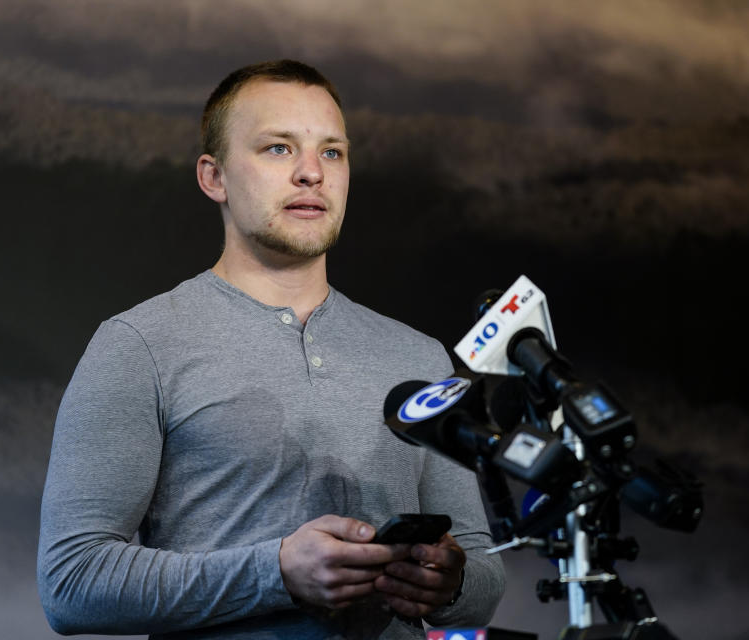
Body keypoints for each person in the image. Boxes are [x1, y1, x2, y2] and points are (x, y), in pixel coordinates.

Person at [37, 59, 505, 639]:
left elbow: (482, 572)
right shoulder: (140, 344)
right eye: (278, 149)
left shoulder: (419, 357)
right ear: (215, 178)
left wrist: (449, 583)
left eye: (332, 152)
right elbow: (71, 582)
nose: (312, 172)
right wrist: (276, 571)